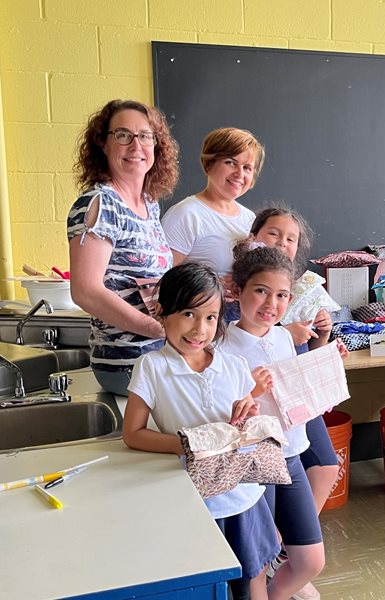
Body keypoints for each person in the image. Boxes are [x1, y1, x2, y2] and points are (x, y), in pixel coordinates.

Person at [121, 262, 277, 600]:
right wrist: (186, 445)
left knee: (254, 578)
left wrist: (248, 411)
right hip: (198, 502)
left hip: (243, 495)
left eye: (210, 317)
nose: (200, 329)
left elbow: (243, 424)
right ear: (162, 312)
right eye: (189, 314)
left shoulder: (232, 365)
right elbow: (132, 433)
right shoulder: (153, 367)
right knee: (210, 585)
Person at [219, 243, 338, 600]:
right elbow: (220, 419)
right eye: (261, 291)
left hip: (291, 456)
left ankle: (278, 594)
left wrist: (324, 355)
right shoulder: (223, 348)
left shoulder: (286, 336)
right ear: (237, 291)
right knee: (255, 563)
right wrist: (251, 393)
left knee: (309, 560)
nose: (272, 304)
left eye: (282, 295)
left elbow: (298, 389)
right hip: (253, 462)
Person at [67, 99, 179, 396]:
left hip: (156, 358)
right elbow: (85, 291)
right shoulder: (100, 204)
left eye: (145, 136)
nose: (136, 145)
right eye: (123, 135)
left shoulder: (149, 205)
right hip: (125, 365)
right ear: (103, 144)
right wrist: (157, 329)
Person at [249, 206, 339, 515]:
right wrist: (286, 332)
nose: (282, 242)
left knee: (327, 465)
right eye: (273, 233)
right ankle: (279, 546)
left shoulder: (302, 288)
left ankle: (290, 544)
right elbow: (242, 337)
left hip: (298, 394)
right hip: (264, 400)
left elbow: (308, 356)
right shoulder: (242, 284)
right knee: (272, 482)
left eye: (291, 238)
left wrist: (321, 334)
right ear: (254, 236)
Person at [161, 127, 266, 319]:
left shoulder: (250, 219)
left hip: (240, 325)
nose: (239, 174)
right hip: (199, 326)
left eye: (247, 168)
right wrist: (210, 287)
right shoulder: (187, 214)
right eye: (230, 162)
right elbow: (161, 280)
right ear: (209, 164)